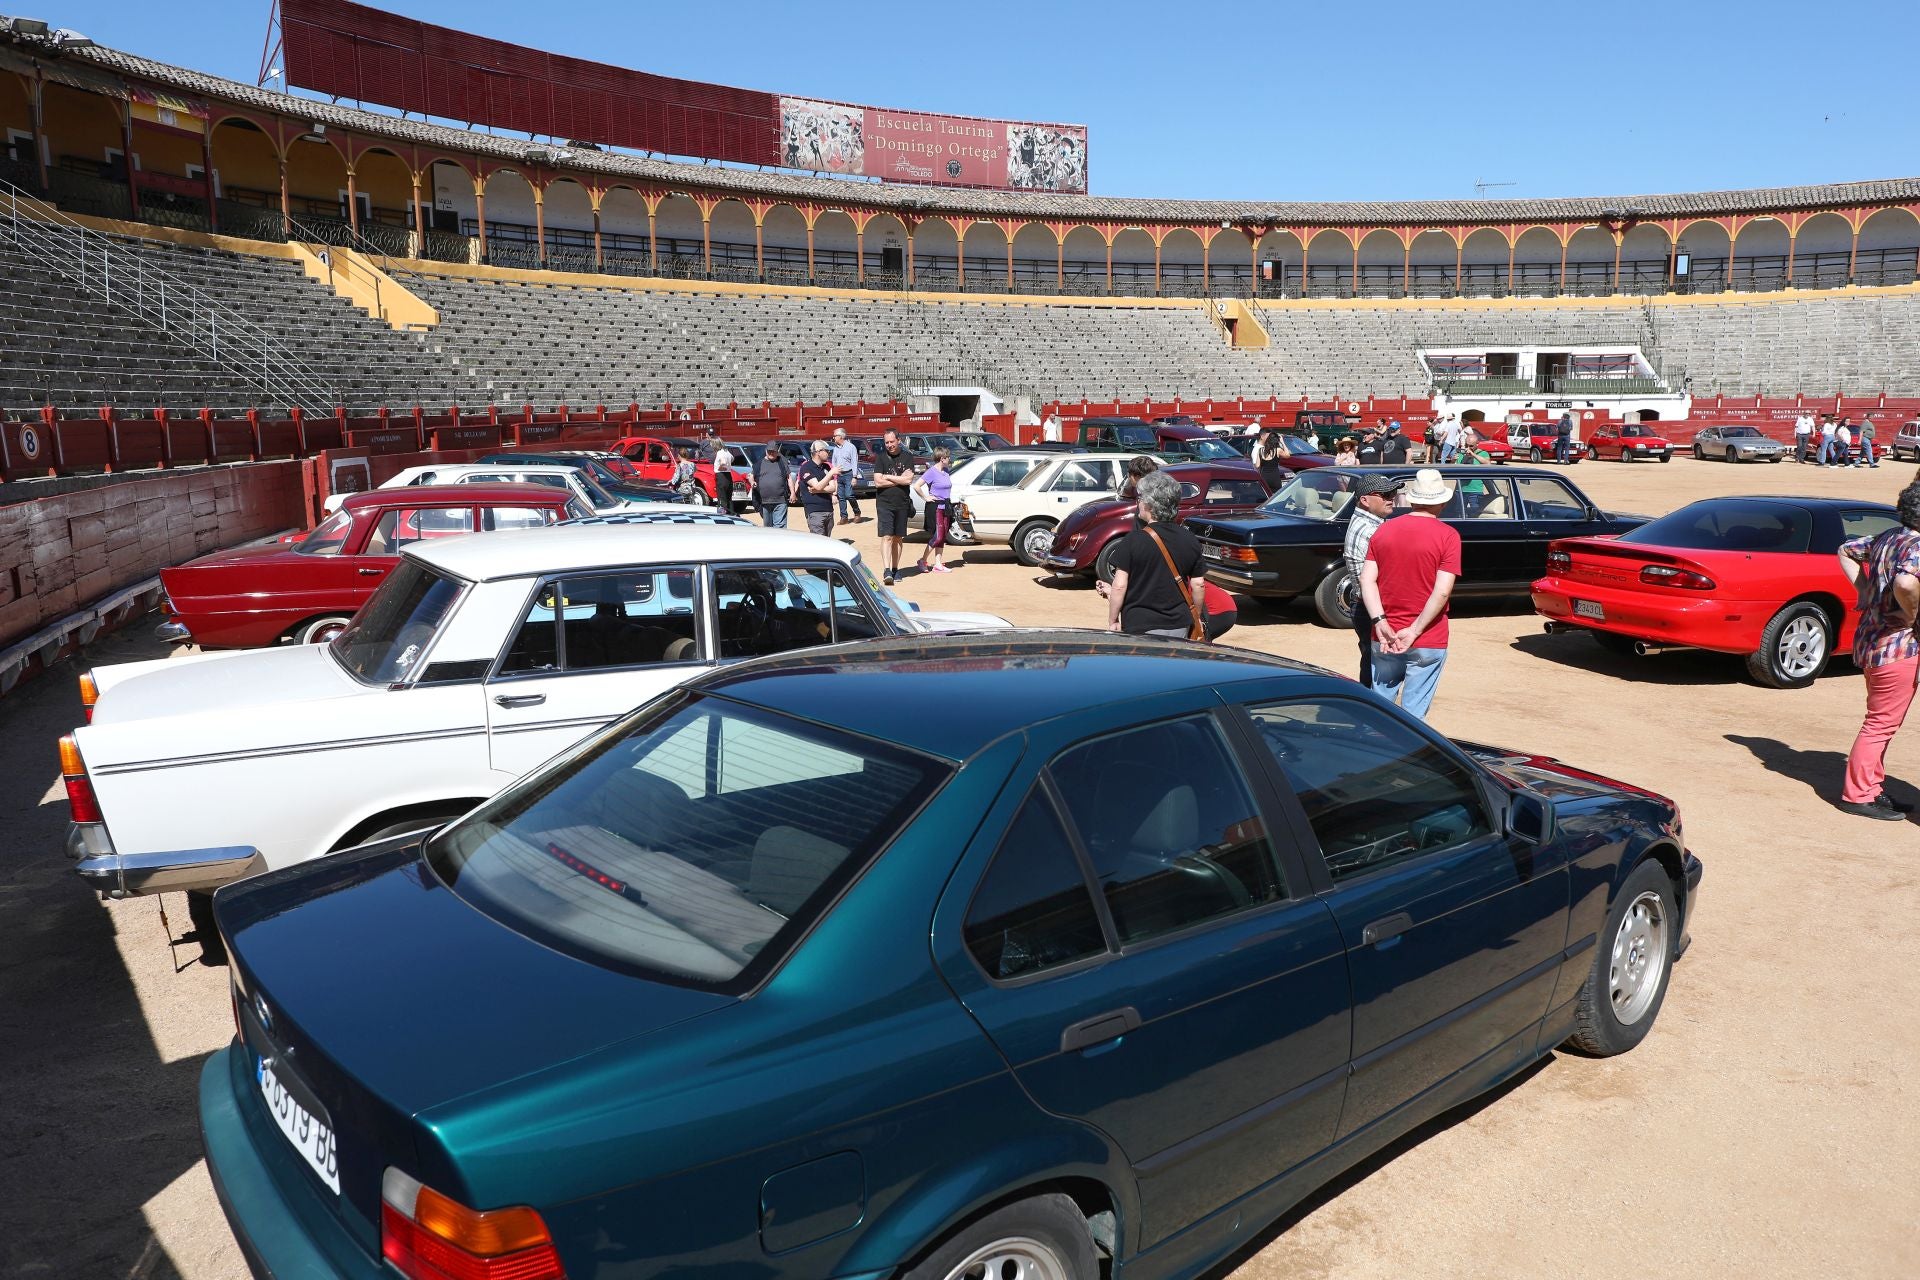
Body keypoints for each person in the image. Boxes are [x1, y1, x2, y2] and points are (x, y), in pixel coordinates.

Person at [1836, 478, 1920, 819]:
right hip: (1898, 646)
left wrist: (1865, 593)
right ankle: (1858, 795)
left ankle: (1872, 787)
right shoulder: (1916, 545)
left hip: (1873, 640)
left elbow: (1845, 551)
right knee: (1881, 722)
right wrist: (1912, 613)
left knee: (1882, 720)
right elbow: (1905, 582)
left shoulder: (1890, 536)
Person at [1359, 468, 1461, 719]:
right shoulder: (1448, 536)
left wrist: (1379, 621)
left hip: (1385, 632)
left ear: (1413, 498)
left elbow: (1366, 580)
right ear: (1442, 502)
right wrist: (1415, 629)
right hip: (1428, 635)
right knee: (1413, 717)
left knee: (1381, 710)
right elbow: (1442, 591)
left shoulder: (1383, 529)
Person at [1106, 470, 1207, 639]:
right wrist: (1196, 614)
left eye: (1140, 499)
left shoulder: (1133, 540)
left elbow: (1119, 586)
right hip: (1178, 624)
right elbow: (1198, 584)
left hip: (1139, 623)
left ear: (1149, 505)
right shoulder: (1189, 539)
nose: (1138, 504)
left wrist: (1113, 619)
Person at [1342, 473, 1405, 686]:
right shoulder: (1372, 530)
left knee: (1373, 661)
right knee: (1379, 666)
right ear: (1365, 500)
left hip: (1367, 606)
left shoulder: (1373, 523)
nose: (1392, 498)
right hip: (1372, 608)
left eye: (1394, 493)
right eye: (1385, 494)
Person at [871, 429, 916, 583]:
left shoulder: (908, 457)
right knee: (887, 536)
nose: (889, 445)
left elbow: (908, 480)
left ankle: (896, 569)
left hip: (902, 503)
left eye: (892, 441)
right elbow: (878, 482)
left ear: (898, 440)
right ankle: (887, 570)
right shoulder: (881, 458)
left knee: (897, 538)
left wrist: (888, 476)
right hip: (884, 503)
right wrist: (899, 479)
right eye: (886, 442)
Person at [913, 447, 955, 573]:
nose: (949, 459)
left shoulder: (946, 471)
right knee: (938, 536)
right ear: (942, 459)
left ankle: (938, 564)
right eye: (948, 457)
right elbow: (917, 485)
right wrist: (925, 497)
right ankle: (922, 560)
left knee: (943, 537)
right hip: (936, 507)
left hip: (946, 506)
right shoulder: (931, 472)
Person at [798, 439, 838, 537]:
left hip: (829, 510)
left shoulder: (826, 467)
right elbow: (817, 485)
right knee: (819, 542)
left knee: (827, 540)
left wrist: (818, 490)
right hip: (815, 511)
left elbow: (833, 488)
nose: (829, 453)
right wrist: (831, 474)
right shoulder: (806, 467)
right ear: (818, 452)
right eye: (826, 451)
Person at [754, 442, 791, 528]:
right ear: (765, 451)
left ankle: (780, 540)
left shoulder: (782, 462)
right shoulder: (759, 463)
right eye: (769, 451)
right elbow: (751, 475)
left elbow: (789, 478)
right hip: (764, 501)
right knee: (768, 527)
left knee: (780, 526)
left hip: (780, 500)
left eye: (773, 451)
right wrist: (752, 482)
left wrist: (792, 492)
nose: (771, 453)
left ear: (777, 451)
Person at [830, 428, 862, 523]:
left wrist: (854, 476)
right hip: (839, 475)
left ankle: (857, 513)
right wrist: (834, 472)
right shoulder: (835, 448)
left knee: (849, 495)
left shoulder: (851, 447)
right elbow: (834, 461)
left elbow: (854, 462)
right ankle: (844, 517)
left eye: (835, 436)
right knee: (841, 496)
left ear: (841, 436)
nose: (833, 437)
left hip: (849, 474)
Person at [712, 440, 735, 511]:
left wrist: (719, 468)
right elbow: (732, 459)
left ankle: (723, 515)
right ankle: (731, 513)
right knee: (729, 498)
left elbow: (723, 463)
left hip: (721, 475)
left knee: (722, 498)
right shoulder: (727, 452)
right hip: (728, 475)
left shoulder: (720, 453)